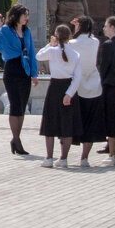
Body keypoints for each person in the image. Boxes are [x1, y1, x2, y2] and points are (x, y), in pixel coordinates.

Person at [0, 4, 40, 155]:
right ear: (16, 16)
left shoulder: (27, 31)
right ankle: (17, 140)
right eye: (24, 15)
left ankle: (16, 140)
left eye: (27, 15)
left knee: (22, 106)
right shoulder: (6, 30)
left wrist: (34, 74)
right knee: (15, 105)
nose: (26, 18)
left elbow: (31, 52)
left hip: (25, 70)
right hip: (12, 69)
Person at [37, 24, 83, 168]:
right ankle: (63, 159)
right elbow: (78, 77)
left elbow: (38, 56)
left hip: (54, 87)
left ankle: (49, 158)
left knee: (50, 123)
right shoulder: (75, 54)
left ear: (56, 37)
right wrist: (69, 94)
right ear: (70, 37)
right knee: (67, 124)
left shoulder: (52, 51)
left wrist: (50, 44)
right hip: (68, 87)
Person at [68, 15, 104, 167]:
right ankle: (84, 158)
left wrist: (74, 29)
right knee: (90, 122)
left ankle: (64, 156)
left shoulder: (72, 43)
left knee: (72, 121)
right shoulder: (95, 42)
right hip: (93, 84)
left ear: (79, 26)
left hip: (77, 85)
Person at [96, 16, 115, 165]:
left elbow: (104, 67)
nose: (104, 29)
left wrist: (100, 83)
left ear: (113, 27)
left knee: (112, 121)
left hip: (111, 86)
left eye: (106, 26)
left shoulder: (108, 45)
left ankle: (112, 154)